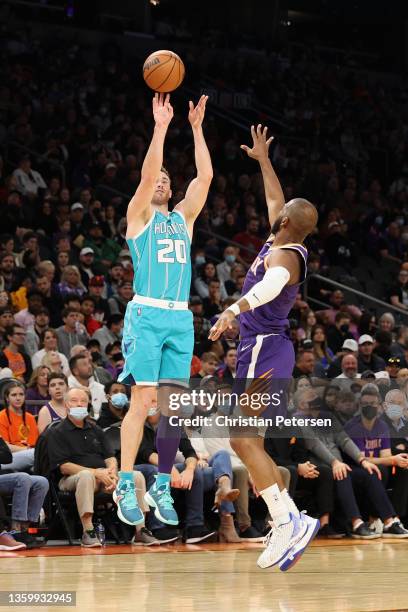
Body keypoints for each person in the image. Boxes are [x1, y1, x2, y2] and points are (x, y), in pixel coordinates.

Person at [209, 124, 319, 571]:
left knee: (240, 437)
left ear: (288, 224)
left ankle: (288, 518)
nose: (274, 211)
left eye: (282, 213)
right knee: (251, 441)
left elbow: (272, 285)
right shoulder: (281, 236)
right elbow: (277, 200)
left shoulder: (286, 256)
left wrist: (233, 309)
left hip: (265, 348)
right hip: (267, 350)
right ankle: (287, 517)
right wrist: (263, 161)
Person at [115, 93, 213, 527]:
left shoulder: (182, 220)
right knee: (142, 401)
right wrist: (160, 127)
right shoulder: (139, 216)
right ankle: (124, 481)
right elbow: (147, 173)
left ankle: (159, 485)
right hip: (148, 315)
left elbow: (205, 178)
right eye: (158, 178)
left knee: (173, 407)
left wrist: (195, 128)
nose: (162, 182)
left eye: (167, 180)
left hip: (179, 316)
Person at [47, 387, 155, 547]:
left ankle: (140, 529)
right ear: (66, 404)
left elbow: (110, 457)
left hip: (103, 479)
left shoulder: (95, 429)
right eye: (74, 401)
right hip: (72, 480)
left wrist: (112, 471)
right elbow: (64, 467)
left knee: (135, 476)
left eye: (83, 401)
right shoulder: (57, 432)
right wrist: (96, 473)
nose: (79, 404)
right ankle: (88, 531)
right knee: (86, 476)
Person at [345, 386, 408, 536]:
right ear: (360, 405)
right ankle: (388, 521)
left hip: (371, 467)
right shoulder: (353, 426)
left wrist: (396, 459)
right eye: (365, 403)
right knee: (375, 471)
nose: (369, 406)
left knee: (396, 469)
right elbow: (362, 459)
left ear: (379, 406)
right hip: (353, 467)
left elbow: (385, 454)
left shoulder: (381, 425)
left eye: (372, 403)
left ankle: (387, 518)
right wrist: (393, 459)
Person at [0, 381, 39, 471]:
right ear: (7, 398)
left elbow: (34, 443)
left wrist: (29, 450)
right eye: (14, 395)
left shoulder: (30, 417)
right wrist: (26, 449)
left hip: (29, 454)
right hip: (9, 458)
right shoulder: (1, 417)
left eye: (21, 394)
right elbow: (4, 447)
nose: (18, 398)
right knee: (36, 454)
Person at [68, 354, 106, 420]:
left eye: (89, 363)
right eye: (85, 364)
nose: (89, 366)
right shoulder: (67, 388)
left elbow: (105, 411)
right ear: (75, 371)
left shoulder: (100, 388)